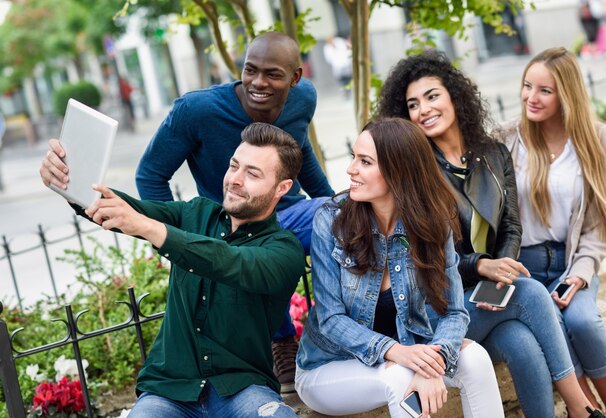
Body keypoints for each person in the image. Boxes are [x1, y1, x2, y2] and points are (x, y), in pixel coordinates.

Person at [40, 31, 334, 394]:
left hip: (288, 216)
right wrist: (167, 240)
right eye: (250, 70)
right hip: (227, 227)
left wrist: (333, 201)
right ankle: (281, 339)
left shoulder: (303, 98)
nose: (259, 82)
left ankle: (337, 334)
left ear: (295, 78)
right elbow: (150, 174)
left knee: (343, 218)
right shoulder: (197, 110)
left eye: (272, 74)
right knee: (242, 260)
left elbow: (300, 149)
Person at [377, 51, 606, 418]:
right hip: (443, 309)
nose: (424, 109)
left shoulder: (493, 153)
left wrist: (501, 271)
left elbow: (511, 226)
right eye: (413, 104)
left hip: (488, 293)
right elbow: (429, 256)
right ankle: (581, 408)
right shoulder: (415, 171)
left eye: (432, 96)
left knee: (523, 343)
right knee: (531, 291)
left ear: (454, 95)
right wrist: (483, 267)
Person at [40, 122, 305, 417]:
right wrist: (69, 182)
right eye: (234, 166)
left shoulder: (283, 249)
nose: (235, 180)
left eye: (253, 173)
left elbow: (230, 261)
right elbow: (121, 209)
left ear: (282, 187)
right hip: (169, 392)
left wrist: (153, 229)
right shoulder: (195, 213)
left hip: (241, 391)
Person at [296, 118, 504, 418]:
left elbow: (455, 312)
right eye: (354, 157)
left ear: (399, 171)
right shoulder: (332, 220)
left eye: (365, 161)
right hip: (330, 366)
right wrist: (400, 354)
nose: (351, 169)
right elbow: (331, 319)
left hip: (408, 353)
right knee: (400, 378)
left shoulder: (432, 223)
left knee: (476, 360)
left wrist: (436, 357)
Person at [497, 47, 606, 418]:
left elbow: (602, 221)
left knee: (583, 321)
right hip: (526, 266)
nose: (530, 98)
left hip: (574, 261)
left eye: (544, 91)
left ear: (566, 94)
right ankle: (585, 411)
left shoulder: (598, 140)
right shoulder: (507, 139)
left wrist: (581, 275)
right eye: (527, 86)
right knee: (551, 326)